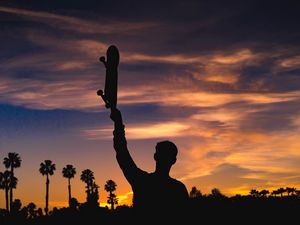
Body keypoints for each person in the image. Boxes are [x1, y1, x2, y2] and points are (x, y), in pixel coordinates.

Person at [110, 108, 189, 215]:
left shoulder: (142, 181)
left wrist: (118, 124)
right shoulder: (179, 189)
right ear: (173, 161)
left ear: (155, 156)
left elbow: (122, 153)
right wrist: (118, 124)